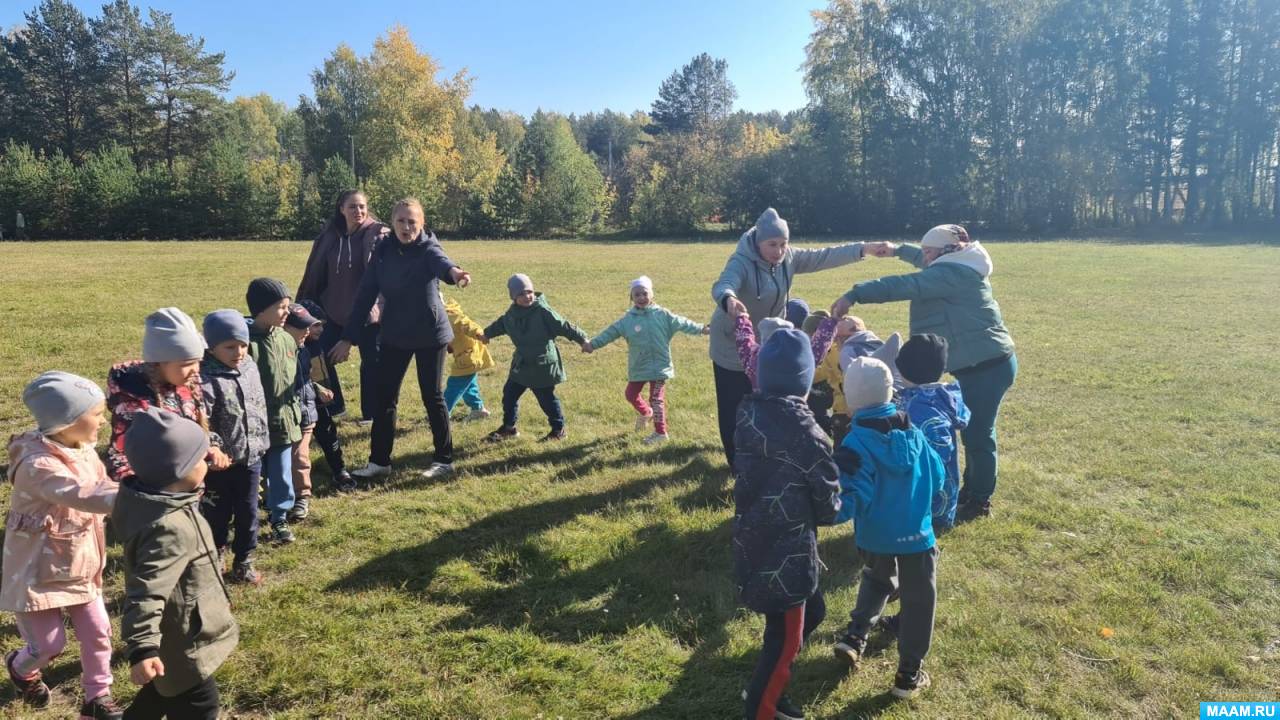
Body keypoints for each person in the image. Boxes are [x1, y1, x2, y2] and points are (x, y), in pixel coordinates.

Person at [832, 224, 1015, 519]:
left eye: (929, 252)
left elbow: (907, 285)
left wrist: (855, 294)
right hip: (983, 361)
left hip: (986, 366)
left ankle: (979, 500)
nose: (924, 257)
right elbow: (928, 260)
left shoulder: (950, 274)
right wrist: (897, 250)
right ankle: (971, 490)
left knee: (978, 435)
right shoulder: (960, 263)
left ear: (946, 251)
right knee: (976, 431)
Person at [733, 329, 841, 720]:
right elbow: (828, 505)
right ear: (805, 379)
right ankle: (761, 706)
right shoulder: (809, 434)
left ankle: (768, 687)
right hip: (788, 556)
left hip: (753, 540)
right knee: (785, 639)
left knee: (810, 615)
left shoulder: (748, 413)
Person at [3, 373, 123, 719]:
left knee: (99, 632)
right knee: (49, 645)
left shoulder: (84, 451)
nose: (104, 419)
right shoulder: (37, 465)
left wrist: (129, 485)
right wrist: (135, 497)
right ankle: (22, 667)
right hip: (36, 573)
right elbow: (80, 494)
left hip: (80, 563)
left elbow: (102, 483)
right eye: (98, 413)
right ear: (68, 420)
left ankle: (97, 698)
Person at [709, 207, 868, 467]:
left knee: (765, 408)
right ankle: (737, 465)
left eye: (783, 244)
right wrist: (729, 299)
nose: (779, 250)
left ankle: (764, 456)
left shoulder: (788, 259)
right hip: (732, 342)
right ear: (758, 242)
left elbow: (824, 256)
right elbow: (724, 283)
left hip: (768, 345)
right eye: (772, 244)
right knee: (734, 408)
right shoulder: (741, 260)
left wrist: (863, 249)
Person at [329, 198, 471, 481]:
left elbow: (442, 263)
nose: (406, 227)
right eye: (401, 221)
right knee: (385, 398)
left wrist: (455, 274)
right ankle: (380, 461)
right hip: (395, 333)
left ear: (422, 224)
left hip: (430, 335)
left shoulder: (429, 247)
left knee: (432, 396)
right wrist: (348, 338)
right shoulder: (382, 252)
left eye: (412, 222)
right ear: (392, 224)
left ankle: (444, 460)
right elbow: (364, 297)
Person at [830, 357, 945, 699]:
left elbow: (852, 499)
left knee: (877, 579)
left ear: (850, 400)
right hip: (918, 536)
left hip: (875, 536)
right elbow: (938, 477)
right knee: (919, 600)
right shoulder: (915, 434)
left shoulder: (854, 444)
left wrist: (820, 508)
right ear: (890, 392)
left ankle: (855, 634)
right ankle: (908, 674)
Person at [114, 408, 238, 720]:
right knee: (200, 704)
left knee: (161, 692)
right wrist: (143, 648)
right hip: (182, 640)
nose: (206, 463)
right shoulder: (168, 528)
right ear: (179, 471)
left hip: (181, 630)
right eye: (200, 459)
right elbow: (146, 592)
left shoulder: (155, 501)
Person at [297, 189, 390, 423]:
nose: (358, 211)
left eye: (362, 206)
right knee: (320, 356)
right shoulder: (330, 237)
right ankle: (335, 406)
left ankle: (371, 414)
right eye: (352, 206)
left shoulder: (378, 233)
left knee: (372, 364)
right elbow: (315, 272)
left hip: (370, 314)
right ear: (341, 209)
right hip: (334, 313)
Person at [107, 308, 230, 483]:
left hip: (188, 486)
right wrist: (145, 495)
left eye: (198, 362)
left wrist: (210, 447)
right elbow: (121, 455)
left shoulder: (188, 384)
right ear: (158, 363)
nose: (195, 370)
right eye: (187, 364)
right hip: (158, 494)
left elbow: (196, 427)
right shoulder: (133, 402)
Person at [584, 275, 709, 444]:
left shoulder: (663, 315)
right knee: (630, 394)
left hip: (659, 367)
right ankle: (645, 412)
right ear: (631, 298)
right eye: (637, 295)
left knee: (656, 399)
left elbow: (682, 322)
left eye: (645, 293)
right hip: (639, 367)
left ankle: (660, 433)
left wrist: (701, 329)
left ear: (652, 294)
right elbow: (610, 333)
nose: (641, 298)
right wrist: (593, 344)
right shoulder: (627, 320)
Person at [198, 310, 269, 584]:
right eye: (229, 346)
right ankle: (215, 559)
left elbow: (257, 405)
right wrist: (214, 448)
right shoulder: (205, 377)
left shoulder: (249, 366)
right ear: (212, 346)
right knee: (217, 514)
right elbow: (201, 420)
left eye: (243, 344)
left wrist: (261, 439)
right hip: (220, 465)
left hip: (251, 457)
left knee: (249, 511)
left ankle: (244, 561)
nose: (238, 352)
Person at [481, 274, 589, 443]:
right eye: (522, 294)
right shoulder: (511, 314)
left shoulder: (543, 311)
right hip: (522, 364)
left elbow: (564, 325)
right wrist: (486, 334)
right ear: (513, 297)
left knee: (546, 400)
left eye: (529, 292)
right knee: (509, 395)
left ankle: (558, 430)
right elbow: (501, 324)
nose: (527, 297)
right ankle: (509, 428)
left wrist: (582, 339)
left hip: (542, 365)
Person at [892, 334, 969, 530]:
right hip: (935, 481)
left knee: (924, 513)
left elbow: (939, 446)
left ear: (907, 370)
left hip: (928, 483)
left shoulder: (924, 407)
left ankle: (933, 524)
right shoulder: (938, 397)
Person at [246, 278, 300, 544]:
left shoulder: (286, 340)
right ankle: (247, 515)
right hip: (253, 425)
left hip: (283, 420)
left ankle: (279, 516)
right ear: (260, 310)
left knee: (281, 472)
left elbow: (295, 379)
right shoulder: (245, 346)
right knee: (252, 473)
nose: (287, 312)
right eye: (281, 307)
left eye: (288, 306)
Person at [298, 300, 354, 492]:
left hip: (322, 404)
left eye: (322, 324)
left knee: (329, 436)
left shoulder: (320, 343)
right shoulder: (295, 348)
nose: (320, 329)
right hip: (301, 404)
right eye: (315, 325)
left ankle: (339, 469)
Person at [283, 304, 324, 521]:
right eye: (301, 327)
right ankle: (278, 498)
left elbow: (305, 379)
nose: (307, 331)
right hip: (285, 415)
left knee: (299, 456)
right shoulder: (280, 353)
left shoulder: (304, 350)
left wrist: (318, 389)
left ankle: (302, 496)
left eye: (308, 326)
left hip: (305, 412)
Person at [442, 290, 494, 421]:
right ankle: (478, 409)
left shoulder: (450, 316)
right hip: (463, 356)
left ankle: (441, 415)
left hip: (469, 357)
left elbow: (466, 324)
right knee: (469, 384)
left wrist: (479, 333)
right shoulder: (437, 315)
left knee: (454, 386)